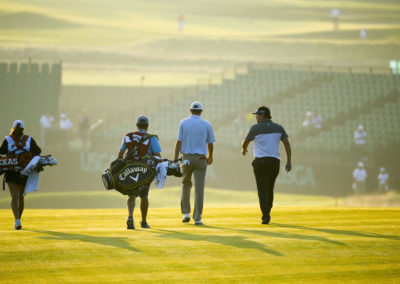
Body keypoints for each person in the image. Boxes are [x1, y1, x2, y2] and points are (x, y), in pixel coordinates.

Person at [242, 106, 292, 225]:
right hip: (275, 162)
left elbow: (245, 142)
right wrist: (289, 161)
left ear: (263, 115)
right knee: (270, 189)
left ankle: (265, 216)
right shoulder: (279, 127)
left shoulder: (255, 128)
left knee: (262, 190)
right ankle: (267, 211)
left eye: (258, 115)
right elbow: (287, 144)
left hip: (260, 162)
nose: (256, 117)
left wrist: (244, 150)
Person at [174, 101, 215, 225]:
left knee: (186, 184)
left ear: (190, 110)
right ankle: (197, 218)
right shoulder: (207, 124)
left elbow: (179, 142)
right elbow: (210, 143)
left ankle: (186, 213)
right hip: (201, 158)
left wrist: (176, 158)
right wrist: (210, 156)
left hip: (186, 158)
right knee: (199, 188)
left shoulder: (183, 122)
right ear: (201, 111)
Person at [118, 116, 161, 230]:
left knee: (131, 195)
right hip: (144, 171)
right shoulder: (151, 138)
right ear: (147, 126)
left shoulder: (128, 136)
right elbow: (158, 156)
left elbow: (120, 154)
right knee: (144, 196)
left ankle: (130, 217)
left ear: (136, 125)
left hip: (130, 169)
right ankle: (144, 222)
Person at [0, 120, 41, 230]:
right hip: (24, 171)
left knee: (14, 195)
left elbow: (2, 152)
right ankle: (18, 220)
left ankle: (17, 220)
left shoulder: (8, 139)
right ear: (23, 129)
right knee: (21, 196)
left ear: (13, 128)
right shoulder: (28, 139)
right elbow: (38, 151)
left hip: (11, 170)